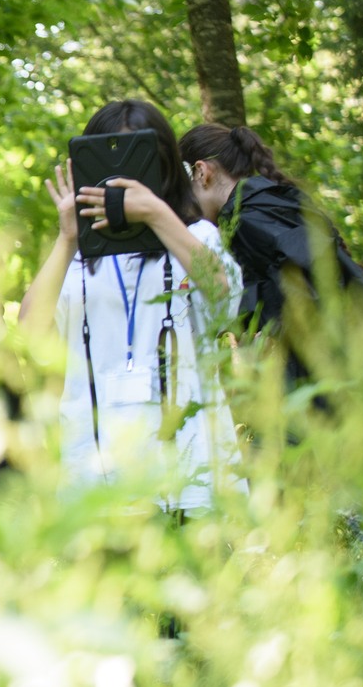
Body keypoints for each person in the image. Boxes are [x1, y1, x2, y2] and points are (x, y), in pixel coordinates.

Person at [19, 99, 242, 511]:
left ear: (164, 168)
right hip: (93, 471)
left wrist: (156, 214)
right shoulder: (74, 257)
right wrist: (68, 239)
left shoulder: (195, 237)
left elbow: (224, 299)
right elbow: (30, 334)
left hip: (189, 472)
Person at [178, 123, 363, 394]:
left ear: (201, 172)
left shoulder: (247, 221)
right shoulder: (269, 204)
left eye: (182, 189)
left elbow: (303, 299)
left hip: (329, 380)